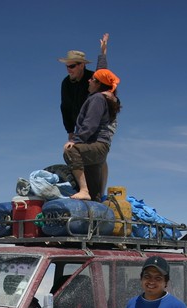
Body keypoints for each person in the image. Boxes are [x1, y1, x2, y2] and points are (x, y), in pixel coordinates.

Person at [63, 35, 121, 201]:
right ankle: (93, 199)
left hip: (94, 141)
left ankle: (84, 190)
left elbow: (91, 123)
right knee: (95, 195)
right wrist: (102, 54)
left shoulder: (98, 98)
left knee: (71, 151)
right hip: (95, 142)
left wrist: (76, 139)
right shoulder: (104, 94)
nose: (90, 80)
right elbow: (103, 75)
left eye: (72, 65)